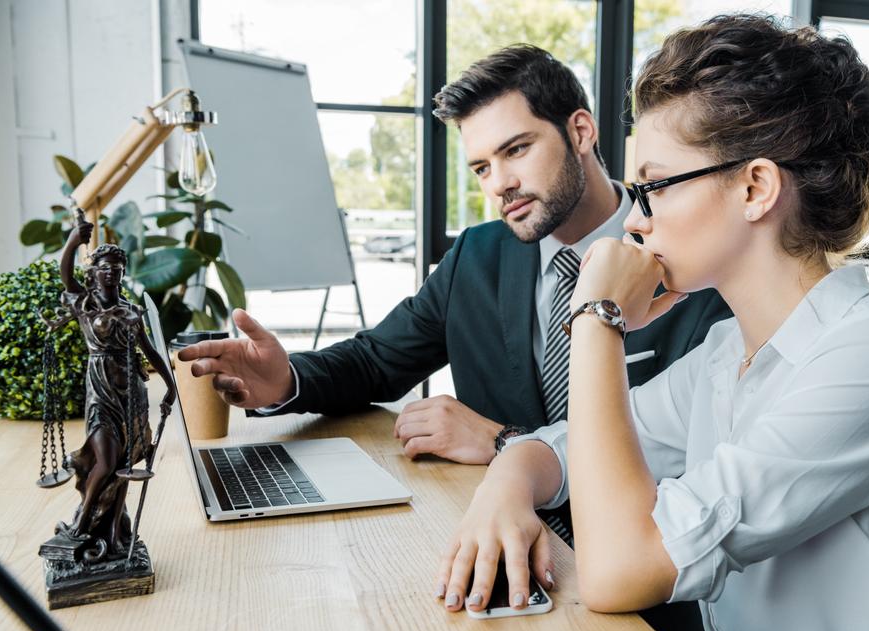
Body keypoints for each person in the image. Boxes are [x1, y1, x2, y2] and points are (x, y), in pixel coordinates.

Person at [434, 15, 869, 631]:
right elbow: (559, 447)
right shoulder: (724, 352)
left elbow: (620, 569)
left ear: (755, 187)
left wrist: (597, 315)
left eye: (654, 186)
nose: (633, 217)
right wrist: (505, 484)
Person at [176, 45, 729, 469]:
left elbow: (688, 454)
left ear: (580, 131)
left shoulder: (686, 254)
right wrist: (287, 379)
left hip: (643, 579)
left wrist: (504, 444)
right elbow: (375, 361)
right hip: (490, 537)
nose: (501, 185)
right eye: (482, 167)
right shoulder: (477, 256)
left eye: (517, 150)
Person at [52, 215, 175, 561]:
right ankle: (83, 523)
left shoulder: (132, 311)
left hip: (131, 395)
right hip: (100, 393)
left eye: (117, 268)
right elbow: (64, 275)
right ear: (95, 272)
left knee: (124, 464)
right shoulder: (86, 304)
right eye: (105, 267)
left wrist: (170, 385)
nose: (111, 273)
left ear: (123, 273)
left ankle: (114, 534)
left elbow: (149, 352)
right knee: (104, 462)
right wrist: (73, 241)